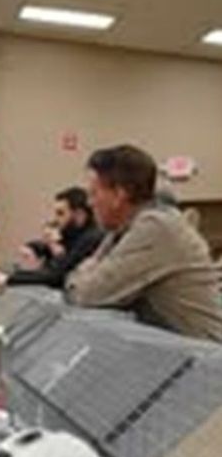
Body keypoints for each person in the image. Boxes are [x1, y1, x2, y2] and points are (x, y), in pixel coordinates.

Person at [65, 144, 222, 342]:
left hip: (210, 363)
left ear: (119, 194)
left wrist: (78, 276)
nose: (89, 203)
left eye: (94, 193)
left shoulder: (156, 227)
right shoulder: (123, 230)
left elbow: (86, 294)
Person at [6, 186, 103, 288]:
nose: (56, 219)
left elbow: (57, 276)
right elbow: (46, 247)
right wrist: (33, 248)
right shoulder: (72, 231)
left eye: (61, 214)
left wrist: (8, 279)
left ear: (79, 215)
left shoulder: (91, 238)